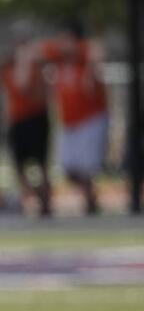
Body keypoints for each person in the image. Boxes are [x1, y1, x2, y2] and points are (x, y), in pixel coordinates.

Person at [39, 20, 109, 215]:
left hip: (91, 119)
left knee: (87, 168)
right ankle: (91, 196)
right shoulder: (58, 59)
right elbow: (37, 51)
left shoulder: (86, 53)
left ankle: (90, 202)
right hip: (69, 122)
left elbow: (97, 50)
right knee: (68, 169)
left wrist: (90, 68)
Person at [0, 21, 52, 216]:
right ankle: (36, 196)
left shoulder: (36, 64)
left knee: (41, 163)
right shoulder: (8, 66)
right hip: (17, 119)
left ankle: (46, 202)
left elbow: (35, 91)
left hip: (36, 117)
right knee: (19, 165)